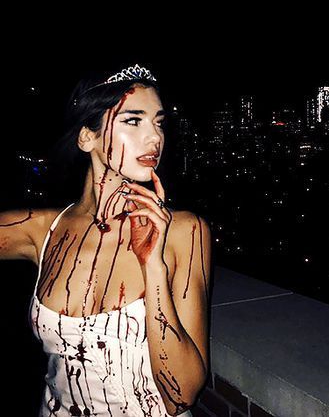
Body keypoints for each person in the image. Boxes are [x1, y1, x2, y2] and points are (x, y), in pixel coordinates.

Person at [0, 63, 212, 416]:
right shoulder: (41, 231)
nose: (155, 137)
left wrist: (153, 267)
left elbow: (182, 396)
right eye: (134, 120)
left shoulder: (183, 232)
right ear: (87, 137)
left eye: (159, 122)